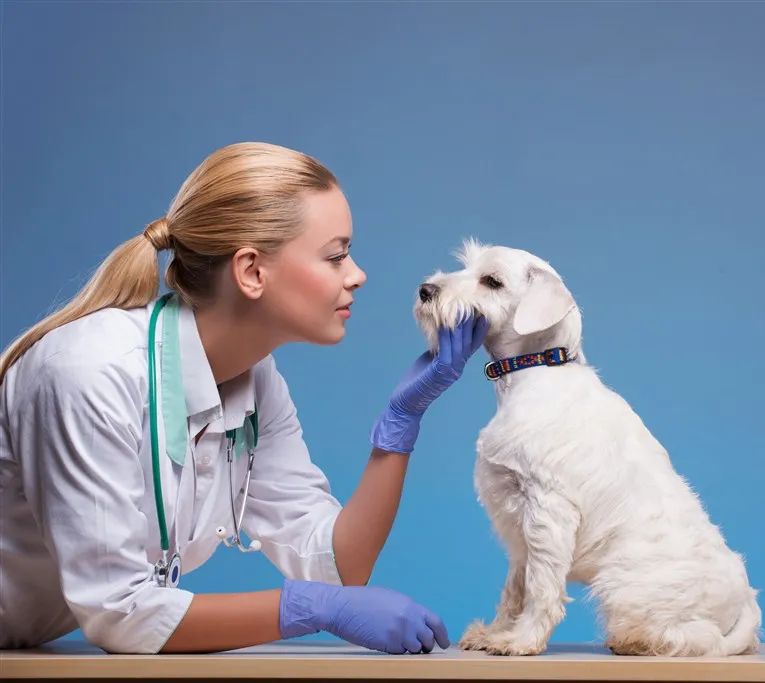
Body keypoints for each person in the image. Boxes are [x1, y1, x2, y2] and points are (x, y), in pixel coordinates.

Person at [0, 142, 487, 655]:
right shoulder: (89, 373)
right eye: (336, 255)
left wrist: (401, 420)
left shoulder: (255, 380)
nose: (356, 274)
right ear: (252, 271)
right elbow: (119, 614)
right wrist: (310, 608)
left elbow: (336, 564)